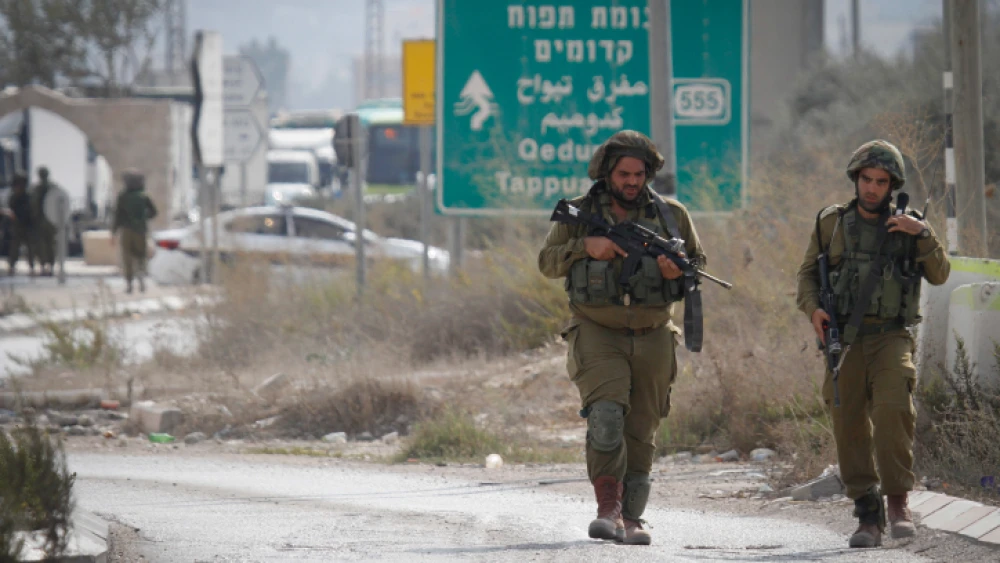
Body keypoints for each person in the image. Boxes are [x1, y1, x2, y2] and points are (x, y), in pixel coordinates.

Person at [537, 130, 706, 545]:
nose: (632, 182)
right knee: (607, 415)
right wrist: (584, 248)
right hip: (597, 330)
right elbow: (546, 262)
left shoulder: (671, 215)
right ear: (607, 173)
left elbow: (696, 265)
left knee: (643, 425)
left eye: (639, 174)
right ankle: (607, 509)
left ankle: (633, 516)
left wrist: (676, 270)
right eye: (625, 173)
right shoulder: (579, 212)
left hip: (653, 332)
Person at [795, 139, 951, 548]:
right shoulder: (831, 223)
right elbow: (807, 276)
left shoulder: (911, 225)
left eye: (881, 182)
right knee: (847, 423)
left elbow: (940, 274)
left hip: (890, 336)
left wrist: (925, 235)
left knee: (894, 408)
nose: (872, 188)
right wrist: (814, 310)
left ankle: (897, 502)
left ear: (891, 185)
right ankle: (867, 513)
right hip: (844, 339)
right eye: (866, 179)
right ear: (855, 179)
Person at [111, 170, 157, 293]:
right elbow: (153, 212)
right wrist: (143, 218)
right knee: (141, 256)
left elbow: (118, 215)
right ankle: (141, 278)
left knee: (127, 257)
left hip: (126, 231)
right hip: (141, 230)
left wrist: (113, 232)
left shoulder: (123, 196)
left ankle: (129, 284)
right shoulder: (144, 196)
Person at [5, 172, 35, 276]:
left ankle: (31, 267)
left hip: (27, 226)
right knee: (15, 247)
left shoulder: (27, 197)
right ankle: (12, 266)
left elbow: (31, 211)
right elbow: (11, 209)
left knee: (29, 248)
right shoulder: (14, 197)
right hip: (17, 225)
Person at [28, 166, 56, 276]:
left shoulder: (36, 189)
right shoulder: (53, 187)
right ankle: (50, 266)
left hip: (41, 220)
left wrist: (33, 218)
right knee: (50, 244)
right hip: (51, 220)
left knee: (42, 244)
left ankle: (44, 266)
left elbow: (33, 205)